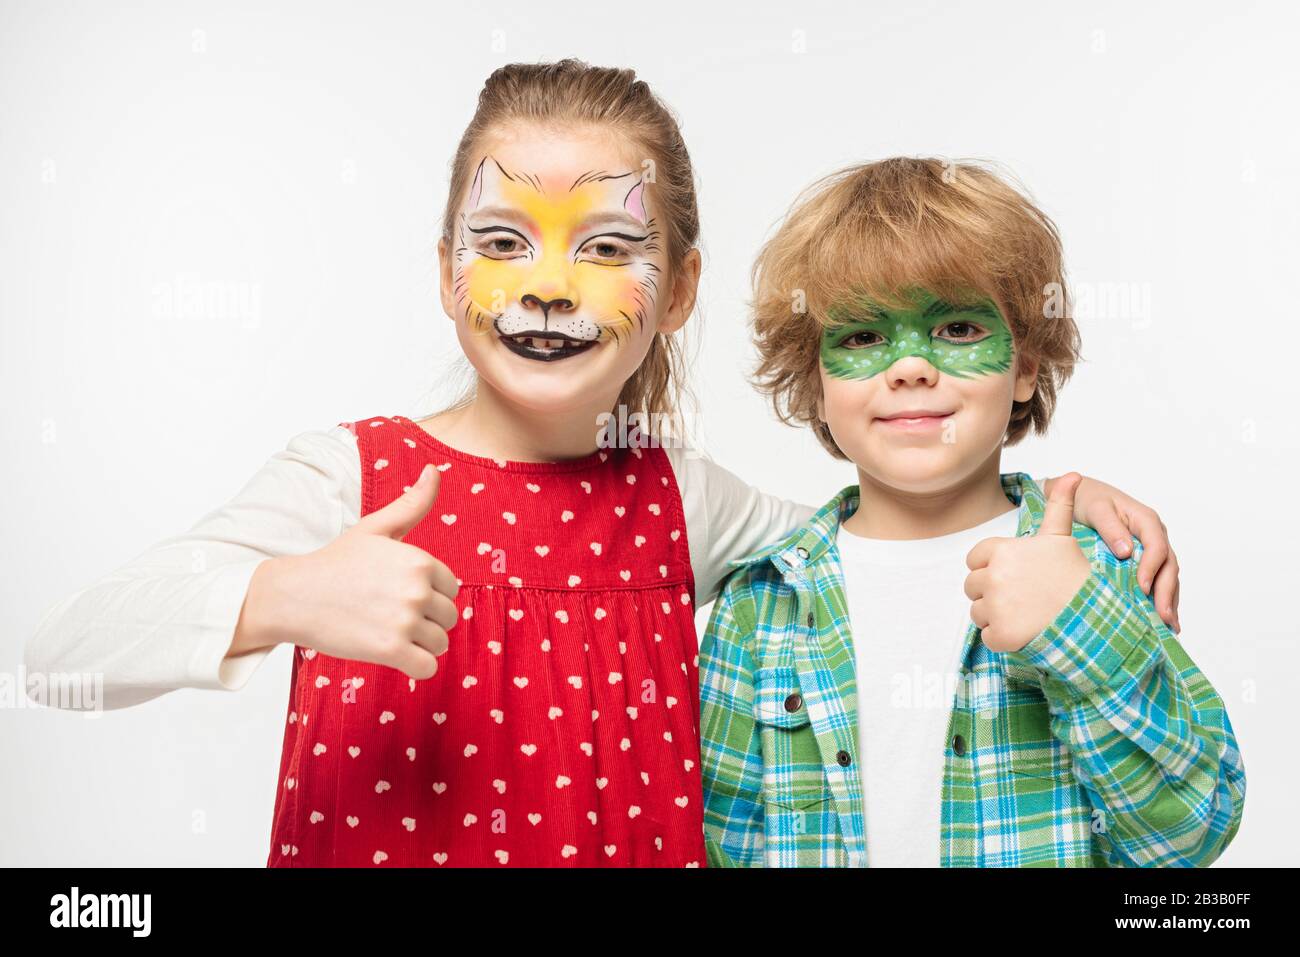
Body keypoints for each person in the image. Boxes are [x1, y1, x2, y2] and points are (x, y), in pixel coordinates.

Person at [25, 63, 1183, 867]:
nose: (544, 285)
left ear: (675, 291)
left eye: (608, 247)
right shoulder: (347, 479)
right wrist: (275, 596)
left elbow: (893, 523)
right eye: (500, 244)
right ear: (445, 274)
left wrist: (1067, 504)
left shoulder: (685, 499)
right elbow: (57, 661)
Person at [699, 157, 1244, 867]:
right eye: (863, 336)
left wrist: (1080, 631)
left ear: (1024, 366)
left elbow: (1190, 833)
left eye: (956, 327)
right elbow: (720, 844)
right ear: (816, 380)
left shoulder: (1093, 565)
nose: (911, 367)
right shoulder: (758, 603)